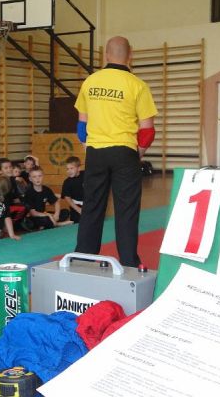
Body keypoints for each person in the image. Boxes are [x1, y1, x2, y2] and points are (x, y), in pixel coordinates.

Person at [74, 36, 158, 267]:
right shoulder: (137, 85)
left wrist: (89, 147)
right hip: (124, 152)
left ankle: (83, 257)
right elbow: (147, 131)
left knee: (92, 205)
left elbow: (81, 126)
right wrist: (137, 153)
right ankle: (128, 262)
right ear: (130, 55)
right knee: (126, 210)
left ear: (106, 55)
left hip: (96, 151)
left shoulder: (90, 82)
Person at [61, 156, 84, 223]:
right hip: (76, 207)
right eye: (67, 169)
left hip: (89, 204)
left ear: (79, 168)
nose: (69, 171)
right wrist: (78, 209)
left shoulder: (87, 175)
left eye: (71, 168)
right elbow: (67, 198)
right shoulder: (67, 182)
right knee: (78, 222)